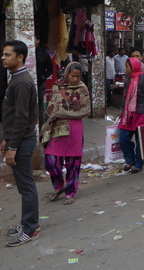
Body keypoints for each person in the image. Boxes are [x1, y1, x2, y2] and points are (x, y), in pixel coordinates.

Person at [0, 40, 39, 247]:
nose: (3, 58)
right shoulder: (16, 78)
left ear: (20, 57)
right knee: (24, 186)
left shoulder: (21, 82)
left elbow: (22, 118)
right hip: (18, 139)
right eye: (3, 54)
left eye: (7, 55)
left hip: (23, 142)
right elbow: (14, 115)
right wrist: (7, 138)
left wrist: (12, 147)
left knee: (26, 186)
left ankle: (30, 228)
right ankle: (28, 223)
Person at [40, 62, 90, 205]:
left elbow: (85, 109)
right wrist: (57, 114)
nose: (75, 79)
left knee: (73, 163)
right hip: (57, 127)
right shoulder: (57, 86)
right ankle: (58, 185)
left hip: (74, 128)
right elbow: (52, 106)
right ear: (66, 73)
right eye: (72, 75)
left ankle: (70, 191)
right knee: (51, 161)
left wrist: (63, 112)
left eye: (78, 76)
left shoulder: (82, 88)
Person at [118, 58, 144, 174]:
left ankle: (138, 163)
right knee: (123, 137)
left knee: (140, 140)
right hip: (128, 114)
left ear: (133, 67)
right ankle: (130, 160)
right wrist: (122, 109)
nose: (126, 68)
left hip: (141, 113)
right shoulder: (127, 79)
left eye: (127, 66)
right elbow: (125, 95)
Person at [35, 36, 54, 125]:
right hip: (26, 84)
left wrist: (43, 77)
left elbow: (50, 69)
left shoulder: (43, 53)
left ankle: (40, 128)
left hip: (39, 84)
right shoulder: (23, 52)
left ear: (38, 40)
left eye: (33, 39)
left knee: (39, 108)